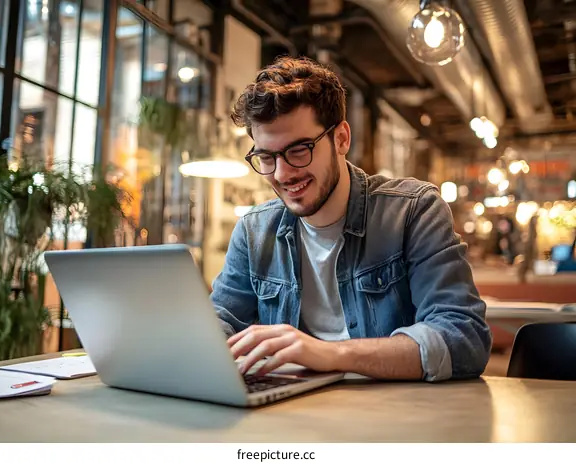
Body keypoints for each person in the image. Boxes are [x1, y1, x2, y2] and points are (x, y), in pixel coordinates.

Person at [210, 56, 491, 382]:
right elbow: (219, 321)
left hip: (395, 418)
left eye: (299, 150)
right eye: (266, 157)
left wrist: (329, 354)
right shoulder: (254, 231)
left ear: (341, 138)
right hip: (291, 418)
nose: (283, 173)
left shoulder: (413, 212)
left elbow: (464, 338)